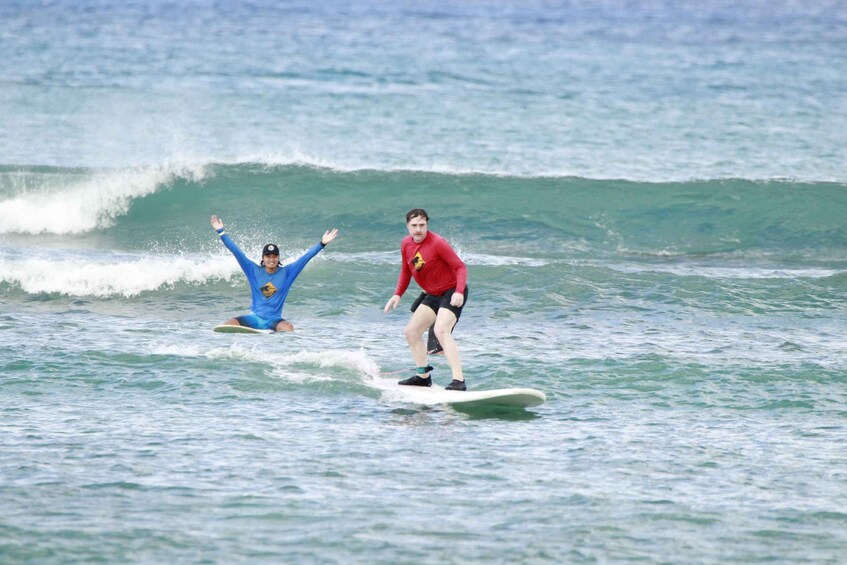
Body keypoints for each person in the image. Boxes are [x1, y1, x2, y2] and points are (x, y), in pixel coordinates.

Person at [384, 208, 469, 390]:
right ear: (407, 226)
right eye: (414, 225)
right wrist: (398, 293)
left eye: (422, 225)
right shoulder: (406, 244)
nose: (418, 229)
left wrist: (459, 291)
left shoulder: (437, 243)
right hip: (432, 294)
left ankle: (458, 381)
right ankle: (423, 376)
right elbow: (406, 270)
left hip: (451, 291)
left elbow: (460, 267)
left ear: (427, 225)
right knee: (411, 332)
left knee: (441, 330)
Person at [211, 215, 338, 332]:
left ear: (278, 258)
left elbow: (305, 258)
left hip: (274, 320)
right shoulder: (253, 270)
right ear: (263, 258)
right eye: (268, 256)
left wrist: (322, 244)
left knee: (288, 328)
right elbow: (236, 251)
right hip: (254, 318)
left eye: (274, 256)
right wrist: (221, 232)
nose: (271, 259)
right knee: (228, 324)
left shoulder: (288, 272)